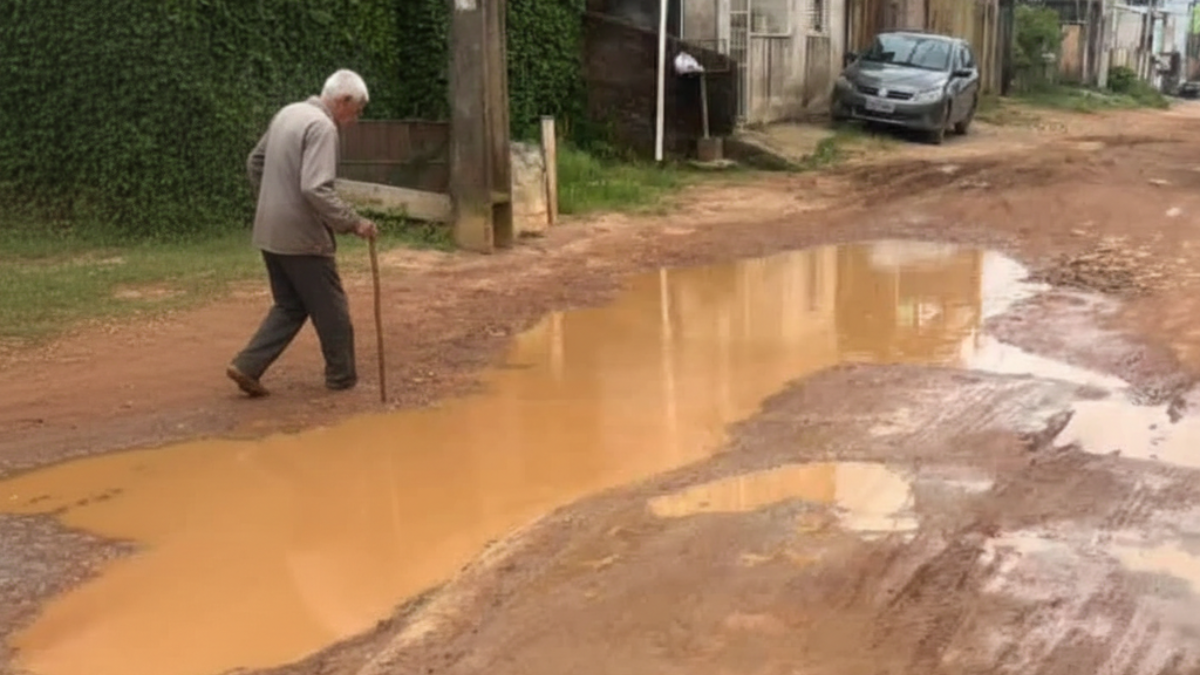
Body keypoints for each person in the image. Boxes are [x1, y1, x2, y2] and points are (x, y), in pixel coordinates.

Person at [226, 69, 379, 398]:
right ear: (343, 100)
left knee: (290, 305)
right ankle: (342, 378)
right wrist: (354, 222)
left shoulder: (288, 112)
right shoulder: (322, 127)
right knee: (332, 308)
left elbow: (255, 162)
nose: (356, 117)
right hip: (302, 237)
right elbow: (315, 188)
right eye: (358, 109)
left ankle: (248, 365)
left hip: (269, 231)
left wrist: (272, 201)